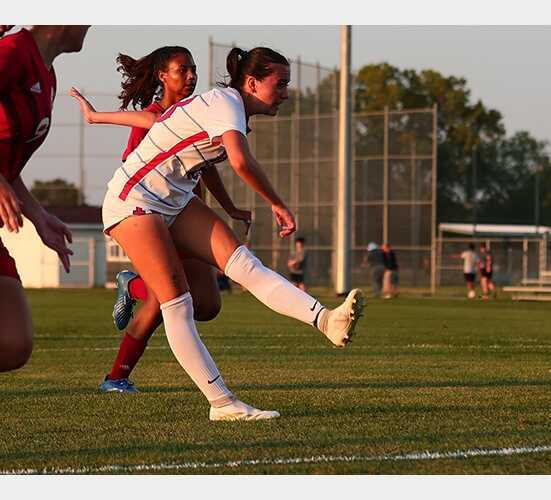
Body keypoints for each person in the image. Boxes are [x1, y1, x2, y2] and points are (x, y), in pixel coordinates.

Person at [99, 46, 365, 421]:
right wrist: (277, 203)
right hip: (134, 200)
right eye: (281, 83)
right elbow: (240, 160)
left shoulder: (231, 109)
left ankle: (326, 320)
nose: (286, 92)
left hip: (173, 200)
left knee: (244, 268)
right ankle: (221, 403)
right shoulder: (226, 101)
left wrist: (230, 207)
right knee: (178, 303)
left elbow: (205, 164)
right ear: (252, 82)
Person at [70, 46, 251, 394]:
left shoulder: (200, 112)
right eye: (182, 69)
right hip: (152, 217)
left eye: (194, 69)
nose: (191, 76)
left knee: (208, 305)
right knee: (164, 300)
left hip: (188, 216)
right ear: (162, 76)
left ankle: (132, 285)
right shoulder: (152, 119)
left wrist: (229, 207)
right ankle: (116, 377)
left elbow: (208, 169)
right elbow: (133, 174)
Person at [0, 26, 90, 372]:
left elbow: (9, 160)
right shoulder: (13, 52)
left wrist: (38, 213)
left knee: (13, 343)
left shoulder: (47, 73)